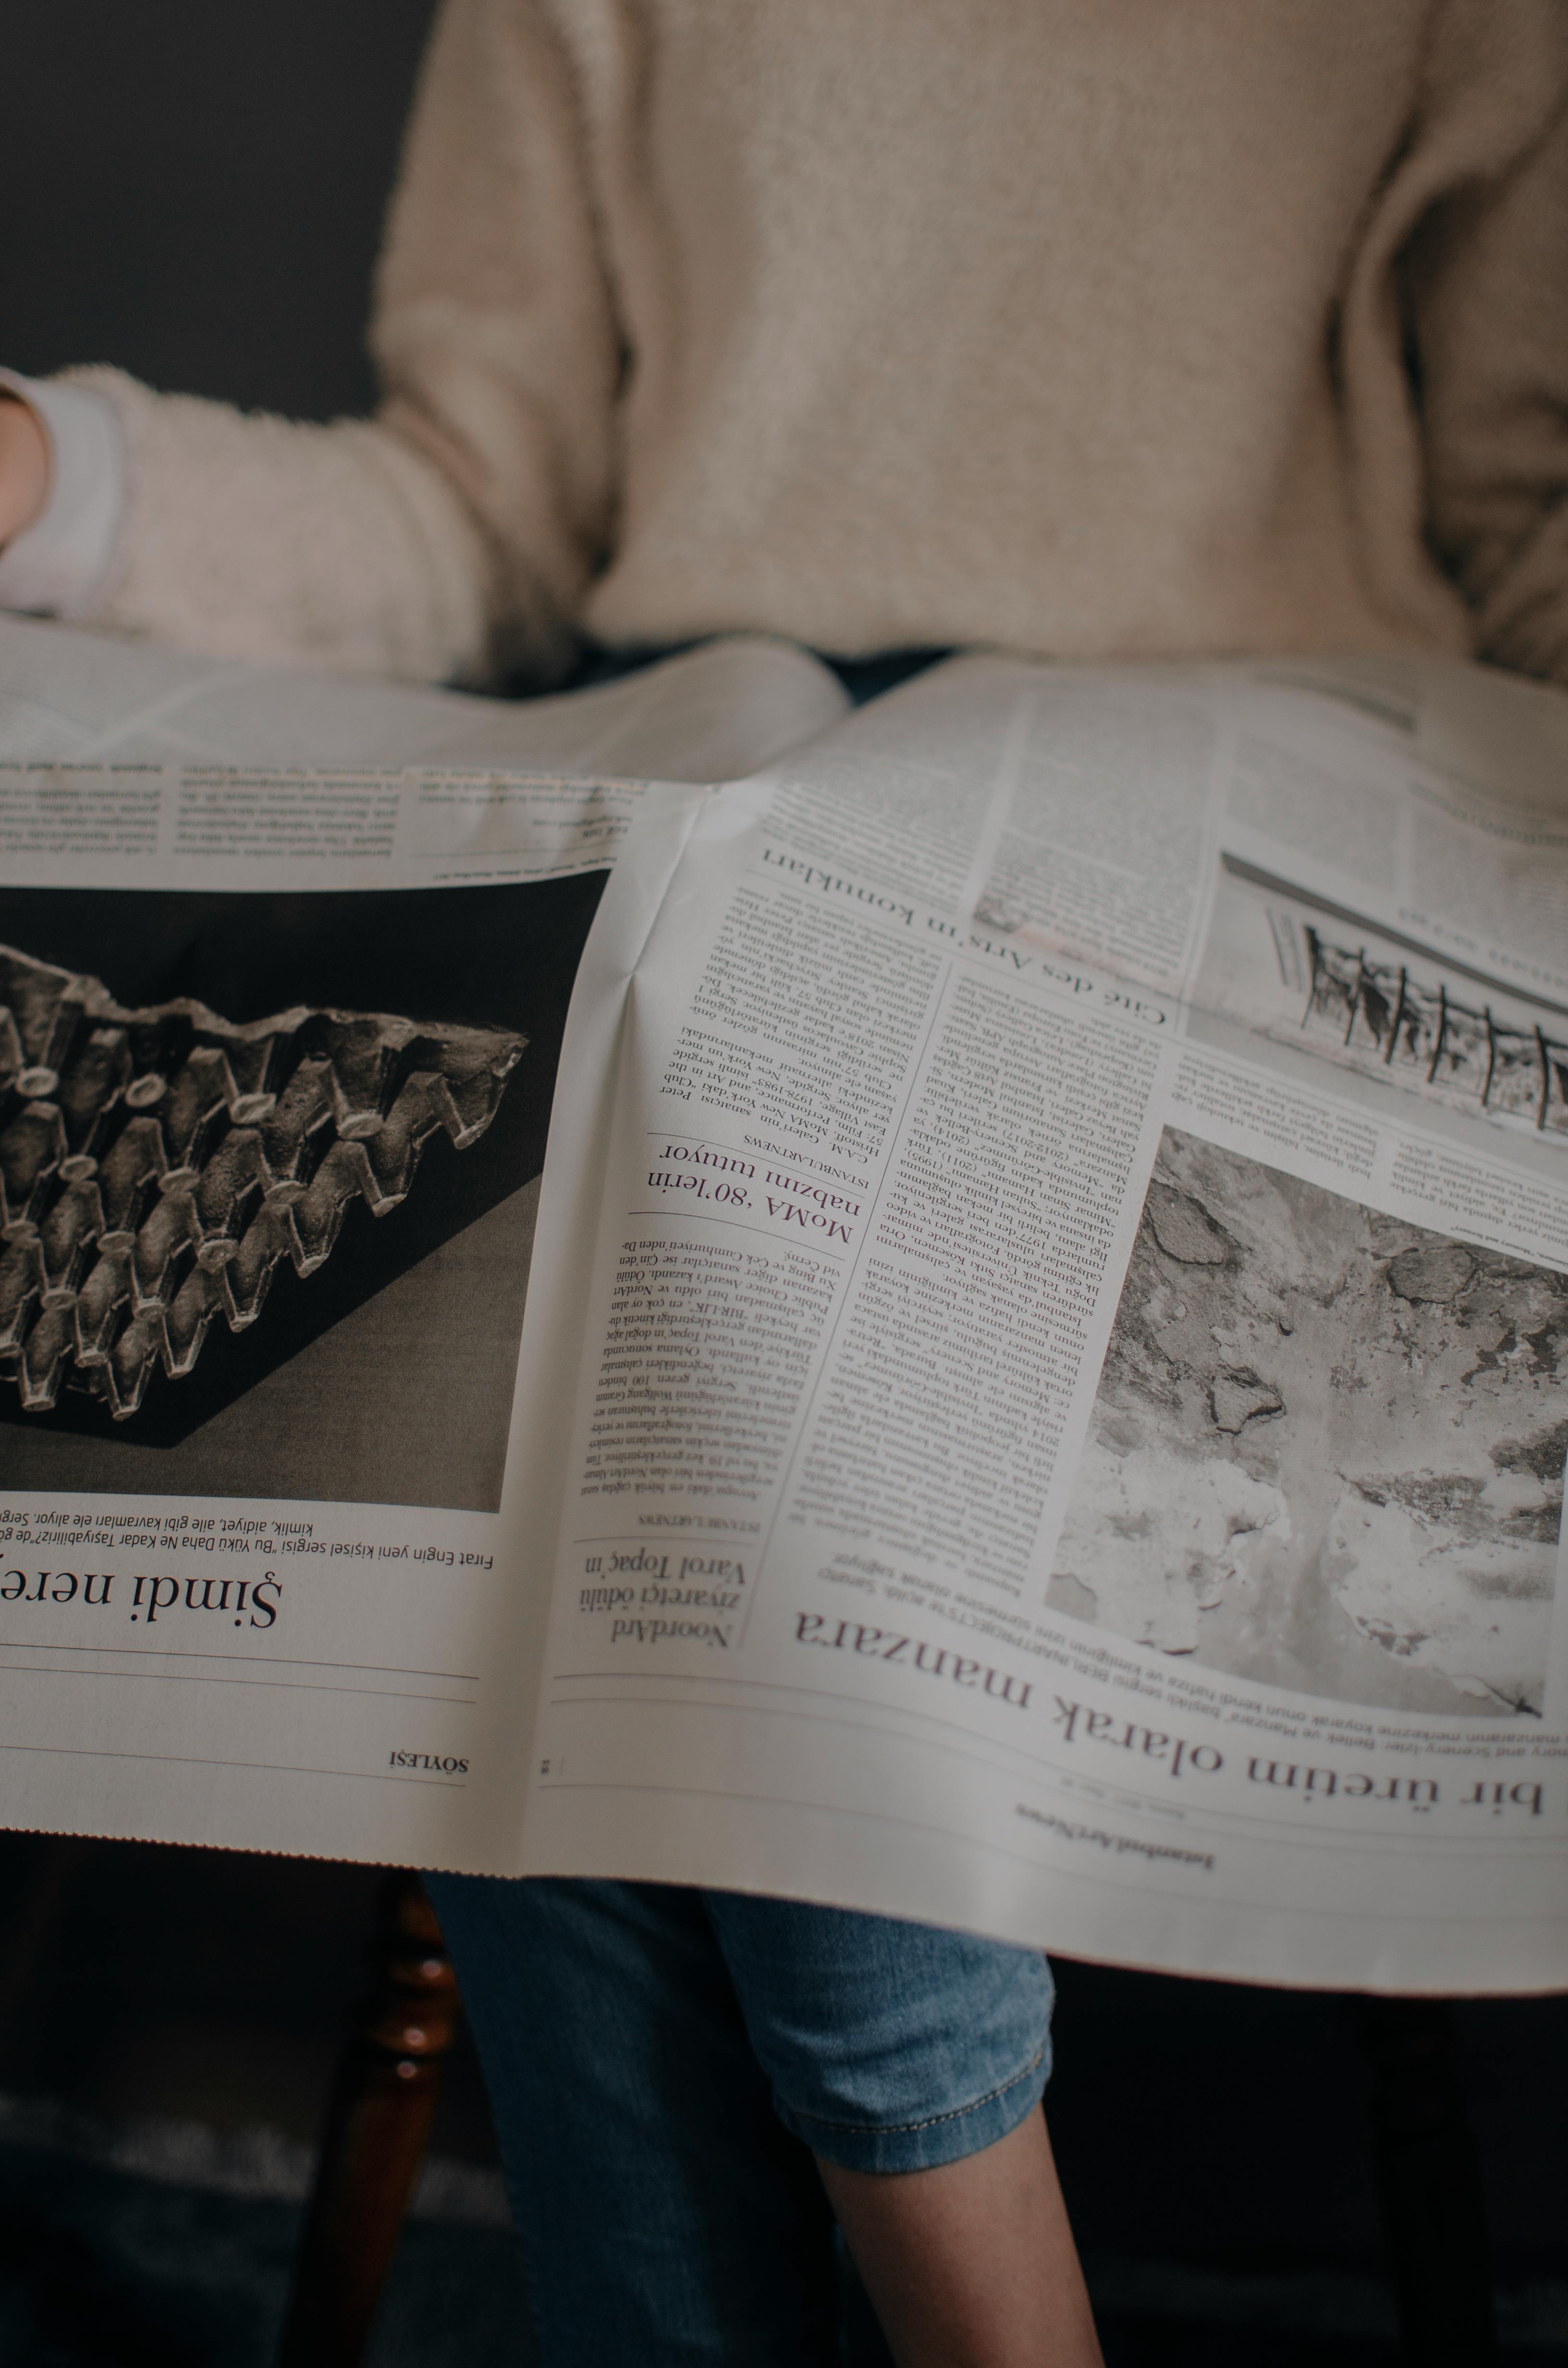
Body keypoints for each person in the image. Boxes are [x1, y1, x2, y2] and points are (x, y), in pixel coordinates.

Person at [2, 4, 1565, 2360]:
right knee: (636, 1172)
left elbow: (1523, 531)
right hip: (738, 774)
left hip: (1257, 788)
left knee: (644, 1233)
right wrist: (50, 473)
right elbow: (482, 510)